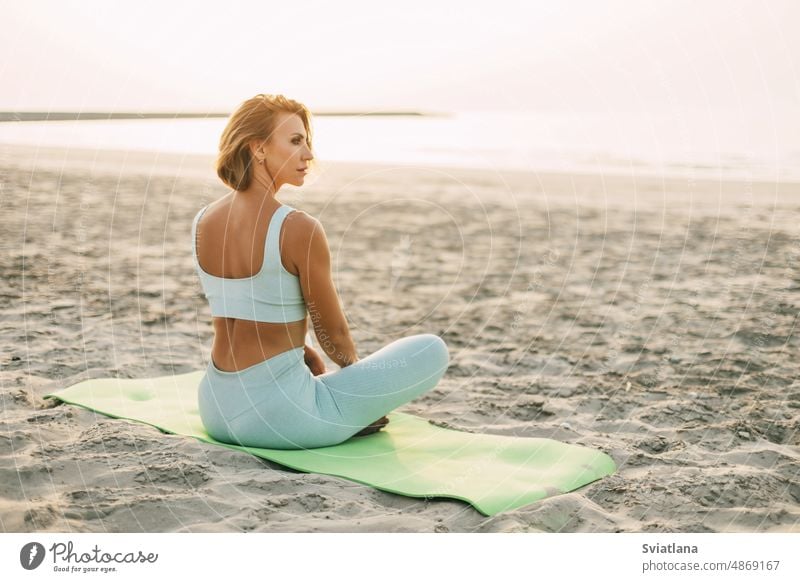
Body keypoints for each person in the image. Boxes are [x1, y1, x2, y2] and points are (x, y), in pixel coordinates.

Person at [192, 93, 450, 449]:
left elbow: (250, 308)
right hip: (280, 418)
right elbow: (335, 336)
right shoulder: (298, 227)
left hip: (216, 408)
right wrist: (361, 399)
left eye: (307, 142)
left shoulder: (202, 221)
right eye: (296, 141)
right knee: (431, 350)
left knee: (308, 363)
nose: (309, 155)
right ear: (259, 148)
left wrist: (303, 352)